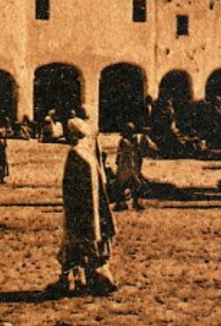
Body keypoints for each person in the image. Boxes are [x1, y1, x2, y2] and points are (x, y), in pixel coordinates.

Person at [52, 118, 118, 297]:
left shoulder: (75, 154)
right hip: (93, 209)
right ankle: (95, 280)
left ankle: (73, 281)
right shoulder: (88, 154)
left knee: (74, 246)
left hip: (78, 210)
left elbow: (69, 186)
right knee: (91, 246)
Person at [113, 122, 149, 211]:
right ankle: (122, 204)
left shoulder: (130, 141)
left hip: (129, 166)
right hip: (126, 167)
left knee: (132, 185)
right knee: (129, 185)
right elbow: (126, 154)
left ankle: (131, 203)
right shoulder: (125, 142)